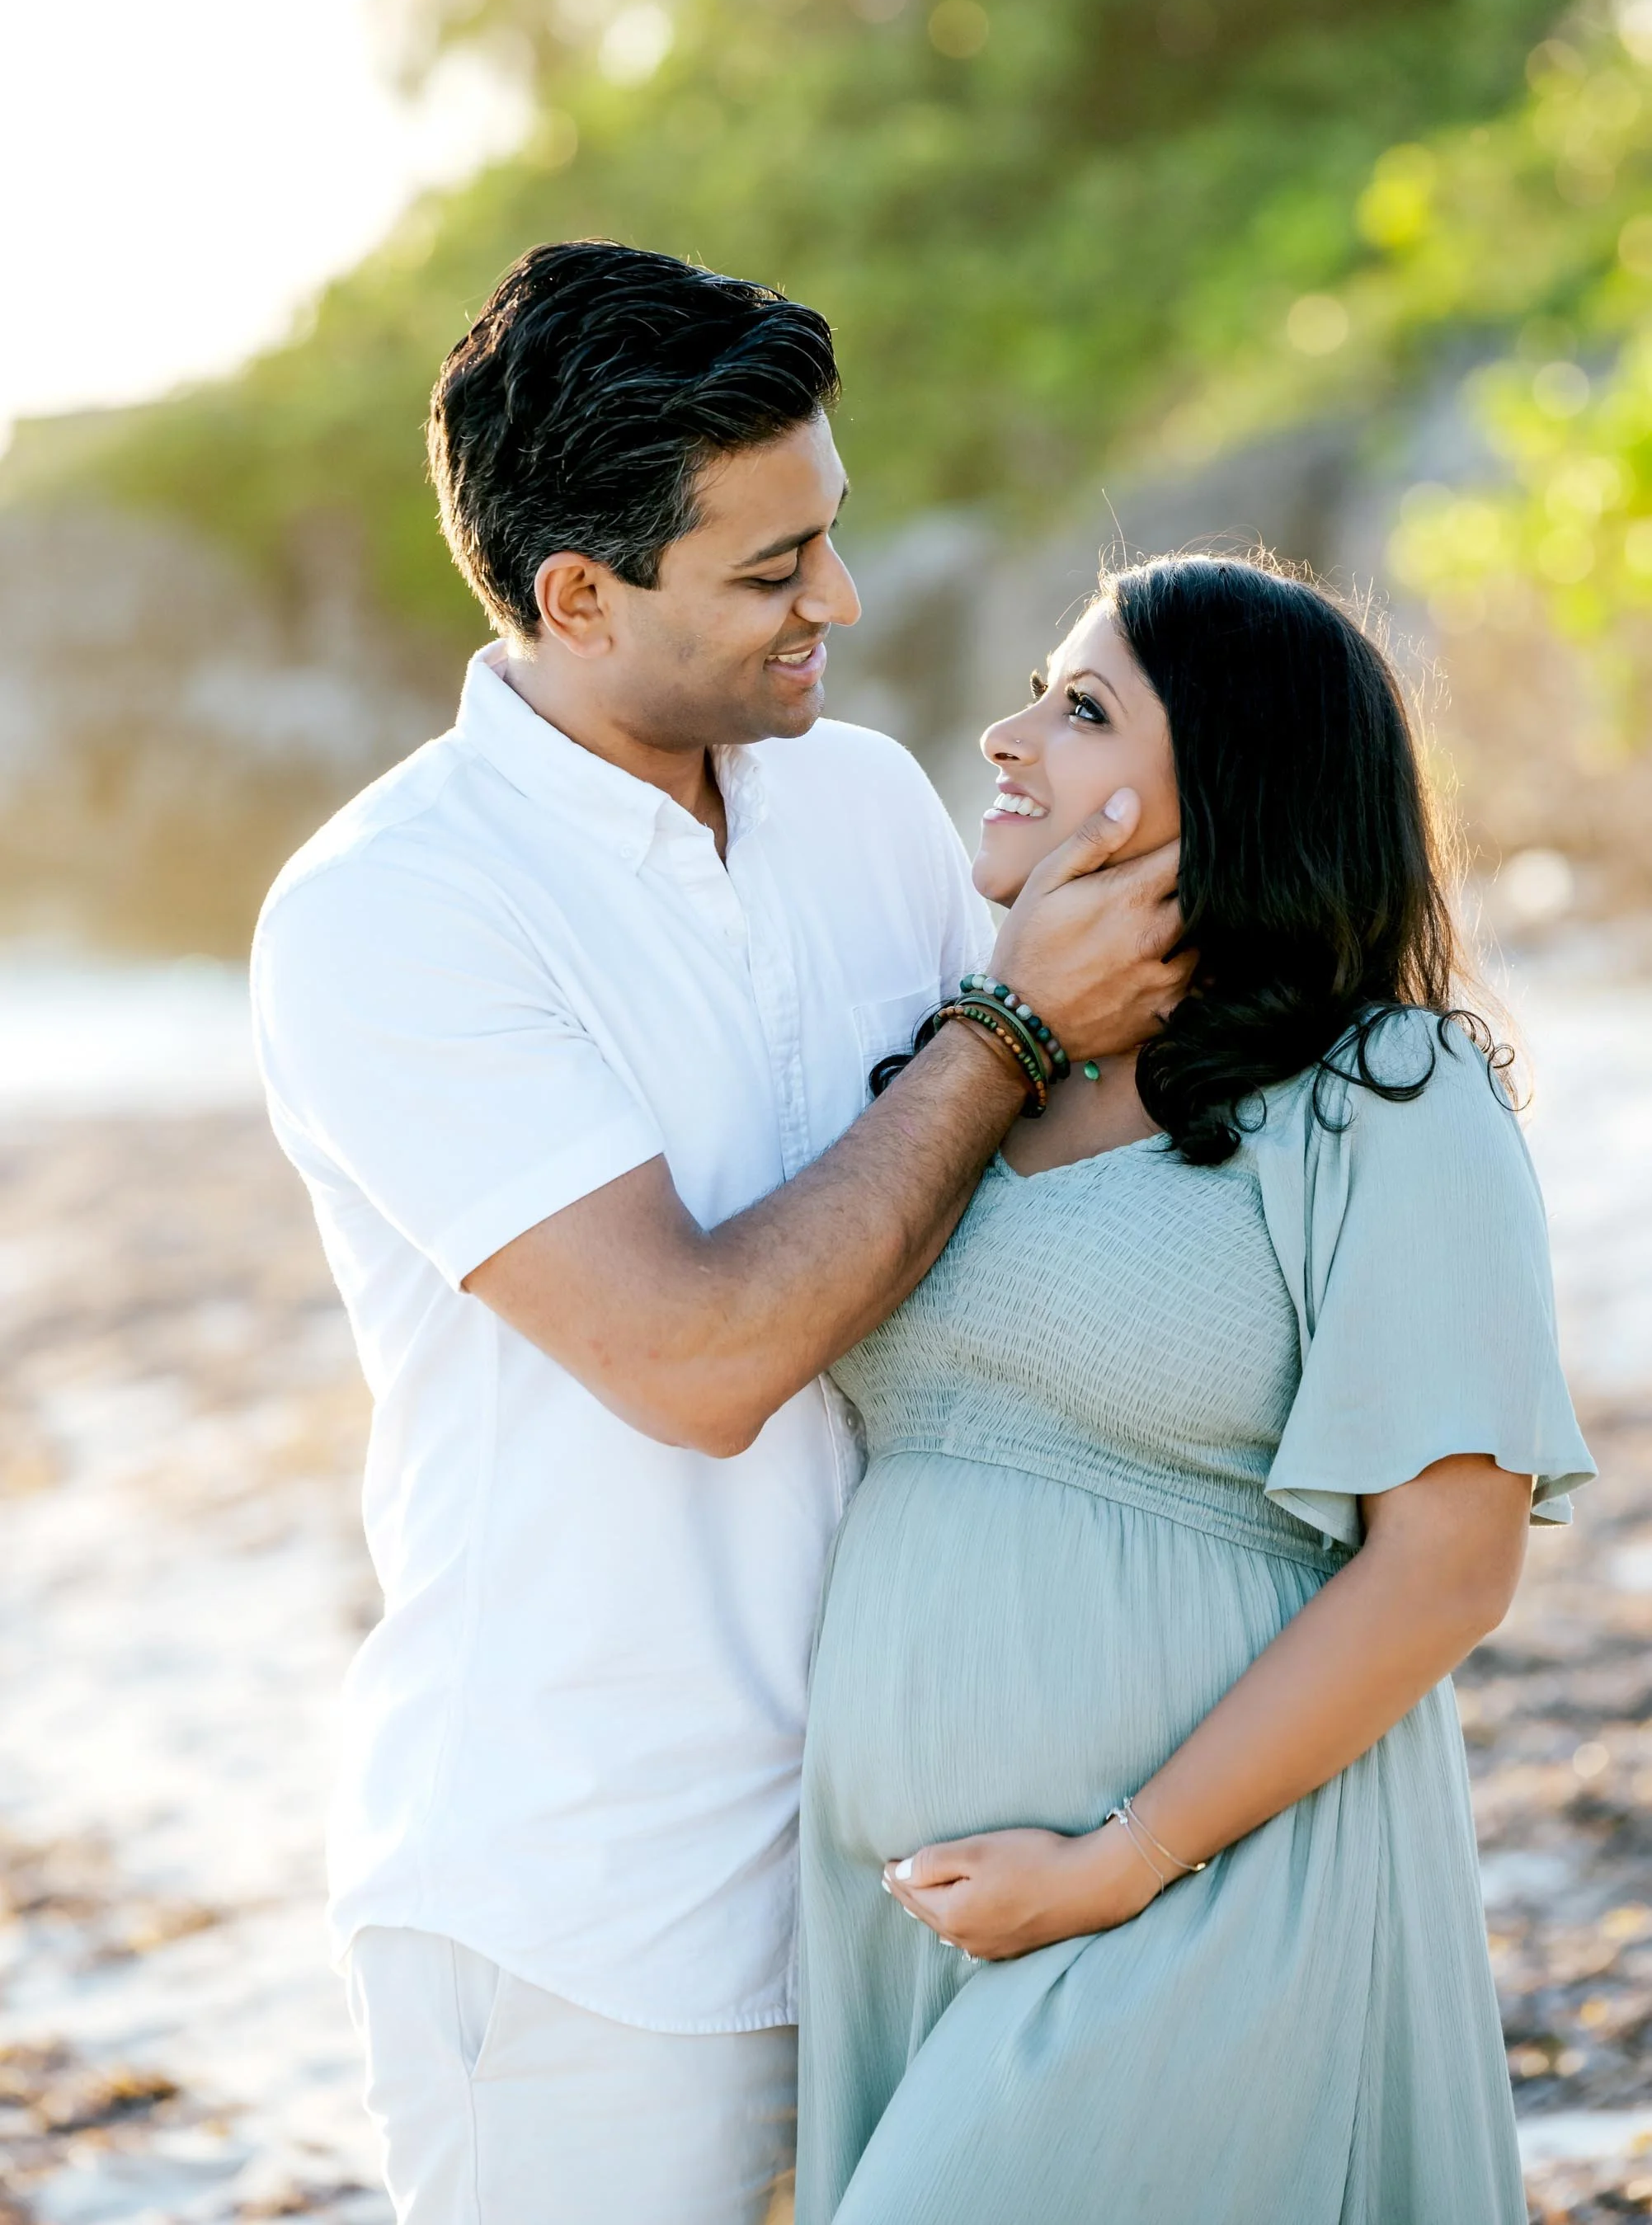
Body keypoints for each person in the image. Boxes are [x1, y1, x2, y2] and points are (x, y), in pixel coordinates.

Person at [250, 241, 1189, 2225]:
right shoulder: (391, 912)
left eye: (826, 537)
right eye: (770, 573)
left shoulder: (856, 803)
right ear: (576, 595)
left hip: (917, 1849)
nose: (834, 602)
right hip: (584, 1907)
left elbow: (1034, 1193)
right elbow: (694, 1358)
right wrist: (1004, 1022)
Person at [796, 553, 1598, 2225]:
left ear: (1235, 782)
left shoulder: (1385, 1093)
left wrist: (1118, 1861)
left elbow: (1447, 1563)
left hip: (1214, 1890)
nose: (1007, 737)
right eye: (1034, 690)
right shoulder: (961, 1068)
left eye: (1080, 708)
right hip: (912, 1918)